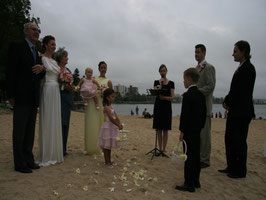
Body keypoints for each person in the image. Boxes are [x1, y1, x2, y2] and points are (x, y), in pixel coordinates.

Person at [6, 22, 45, 173]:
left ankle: (29, 160)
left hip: (33, 98)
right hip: (20, 96)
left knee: (29, 131)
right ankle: (20, 163)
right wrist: (10, 94)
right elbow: (11, 71)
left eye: (38, 30)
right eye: (34, 30)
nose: (37, 32)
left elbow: (41, 74)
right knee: (19, 131)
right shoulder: (17, 46)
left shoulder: (37, 51)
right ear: (26, 31)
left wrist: (42, 68)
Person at [218, 40, 256, 179]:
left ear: (243, 52)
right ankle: (231, 166)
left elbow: (240, 91)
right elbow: (235, 89)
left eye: (235, 51)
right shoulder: (242, 67)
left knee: (239, 140)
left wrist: (228, 101)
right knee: (229, 138)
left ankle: (240, 171)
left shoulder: (248, 69)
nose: (232, 54)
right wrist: (228, 101)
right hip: (235, 110)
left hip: (242, 111)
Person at [175, 68, 206, 193]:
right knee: (196, 155)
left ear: (189, 79)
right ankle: (196, 180)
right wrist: (200, 127)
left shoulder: (188, 95)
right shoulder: (201, 95)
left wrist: (182, 131)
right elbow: (204, 113)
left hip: (188, 131)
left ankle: (189, 183)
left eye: (184, 79)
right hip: (197, 130)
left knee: (187, 156)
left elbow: (185, 115)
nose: (183, 81)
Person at [36, 35, 64, 166]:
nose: (54, 46)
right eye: (52, 44)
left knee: (55, 119)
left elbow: (59, 75)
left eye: (55, 44)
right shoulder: (42, 59)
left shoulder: (54, 62)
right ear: (45, 45)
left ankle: (54, 153)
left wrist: (64, 80)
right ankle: (46, 154)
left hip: (56, 91)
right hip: (47, 89)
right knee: (47, 119)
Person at [84, 61, 112, 155]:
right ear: (99, 69)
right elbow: (88, 89)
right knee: (94, 126)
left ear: (106, 69)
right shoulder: (94, 79)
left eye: (105, 68)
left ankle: (103, 148)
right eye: (102, 68)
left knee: (103, 126)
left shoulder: (109, 81)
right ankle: (93, 147)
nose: (103, 69)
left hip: (104, 106)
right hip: (94, 105)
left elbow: (111, 97)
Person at [195, 44, 216, 168]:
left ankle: (205, 160)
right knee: (199, 135)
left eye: (198, 52)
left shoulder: (209, 67)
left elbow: (210, 86)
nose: (196, 54)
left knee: (205, 135)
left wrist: (197, 92)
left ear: (204, 53)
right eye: (195, 52)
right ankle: (199, 156)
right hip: (197, 107)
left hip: (205, 107)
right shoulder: (196, 68)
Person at [54, 47, 74, 156]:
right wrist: (63, 85)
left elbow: (69, 83)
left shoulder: (68, 71)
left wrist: (71, 87)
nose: (67, 58)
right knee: (60, 123)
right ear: (60, 58)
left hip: (67, 99)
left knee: (66, 123)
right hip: (59, 97)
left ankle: (64, 149)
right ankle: (59, 148)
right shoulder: (56, 69)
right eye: (65, 56)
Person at [152, 64, 175, 156]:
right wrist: (160, 85)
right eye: (161, 71)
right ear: (159, 72)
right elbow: (154, 93)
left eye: (164, 70)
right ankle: (159, 148)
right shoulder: (156, 82)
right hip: (158, 106)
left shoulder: (171, 83)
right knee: (159, 129)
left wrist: (164, 97)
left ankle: (163, 149)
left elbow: (172, 97)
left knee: (165, 129)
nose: (163, 72)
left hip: (166, 107)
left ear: (166, 71)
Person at [98, 88, 123, 168]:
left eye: (114, 96)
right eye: (112, 96)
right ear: (107, 98)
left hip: (111, 128)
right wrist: (117, 125)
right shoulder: (106, 107)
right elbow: (111, 119)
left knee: (109, 146)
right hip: (107, 127)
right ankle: (107, 162)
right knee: (106, 146)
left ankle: (109, 161)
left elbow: (115, 116)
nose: (114, 98)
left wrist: (120, 123)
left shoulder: (111, 107)